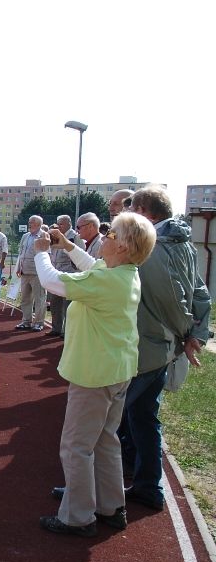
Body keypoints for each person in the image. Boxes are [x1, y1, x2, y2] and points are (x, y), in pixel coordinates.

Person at [36, 211, 158, 537]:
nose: (106, 238)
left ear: (124, 246)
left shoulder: (107, 280)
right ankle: (111, 506)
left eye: (112, 235)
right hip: (117, 370)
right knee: (105, 440)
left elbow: (51, 281)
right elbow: (92, 266)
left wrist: (42, 251)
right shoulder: (124, 273)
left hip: (94, 373)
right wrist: (67, 246)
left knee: (76, 445)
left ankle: (78, 517)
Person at [119, 186, 211, 511]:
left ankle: (131, 488)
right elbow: (200, 292)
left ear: (146, 212)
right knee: (143, 416)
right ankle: (146, 484)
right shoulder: (184, 244)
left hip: (151, 346)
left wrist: (189, 335)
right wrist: (196, 332)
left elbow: (168, 299)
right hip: (162, 345)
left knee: (122, 416)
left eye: (131, 211)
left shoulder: (154, 247)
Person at [46, 215, 84, 337]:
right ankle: (56, 328)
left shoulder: (74, 236)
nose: (59, 226)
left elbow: (79, 254)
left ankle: (66, 331)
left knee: (68, 306)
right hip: (56, 273)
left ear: (69, 223)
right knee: (54, 303)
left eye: (61, 223)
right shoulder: (57, 235)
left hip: (69, 275)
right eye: (58, 223)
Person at [15, 215, 49, 332]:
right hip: (25, 272)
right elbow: (21, 253)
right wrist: (19, 267)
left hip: (37, 273)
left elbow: (47, 254)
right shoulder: (25, 236)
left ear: (39, 224)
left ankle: (39, 323)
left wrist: (44, 272)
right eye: (29, 222)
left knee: (39, 299)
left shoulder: (44, 235)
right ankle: (26, 321)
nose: (30, 224)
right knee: (25, 299)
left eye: (33, 222)